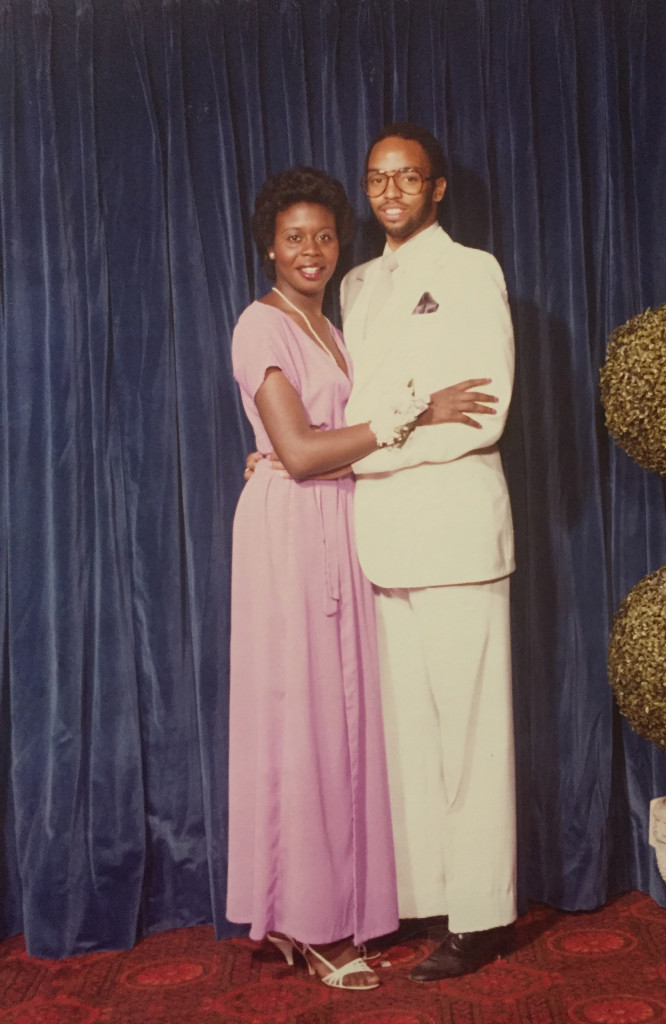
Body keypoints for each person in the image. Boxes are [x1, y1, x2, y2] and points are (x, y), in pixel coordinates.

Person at [227, 166, 497, 992]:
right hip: (290, 535)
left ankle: (333, 912)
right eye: (293, 237)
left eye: (323, 236)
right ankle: (305, 926)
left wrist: (304, 448)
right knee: (298, 723)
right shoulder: (260, 325)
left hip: (341, 527)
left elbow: (315, 440)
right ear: (267, 247)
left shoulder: (331, 323)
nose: (311, 250)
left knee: (340, 726)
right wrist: (411, 414)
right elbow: (305, 453)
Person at [339, 123, 517, 982]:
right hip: (380, 540)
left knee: (471, 738)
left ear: (437, 188)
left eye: (409, 178)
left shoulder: (472, 269)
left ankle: (481, 917)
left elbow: (483, 415)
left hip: (455, 536)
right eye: (378, 179)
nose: (391, 192)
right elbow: (356, 413)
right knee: (408, 740)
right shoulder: (356, 283)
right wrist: (407, 419)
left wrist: (379, 445)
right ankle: (422, 901)